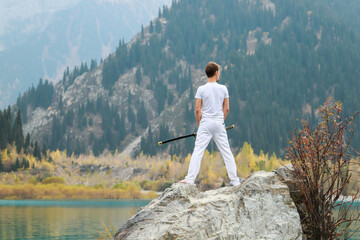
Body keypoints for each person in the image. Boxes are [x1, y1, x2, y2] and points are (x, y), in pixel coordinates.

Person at [179, 62, 241, 186]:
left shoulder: (201, 89)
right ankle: (235, 181)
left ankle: (190, 179)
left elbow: (197, 109)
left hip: (205, 123)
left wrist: (199, 126)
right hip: (219, 123)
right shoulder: (223, 88)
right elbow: (227, 108)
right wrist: (220, 120)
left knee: (198, 151)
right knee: (226, 152)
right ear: (216, 73)